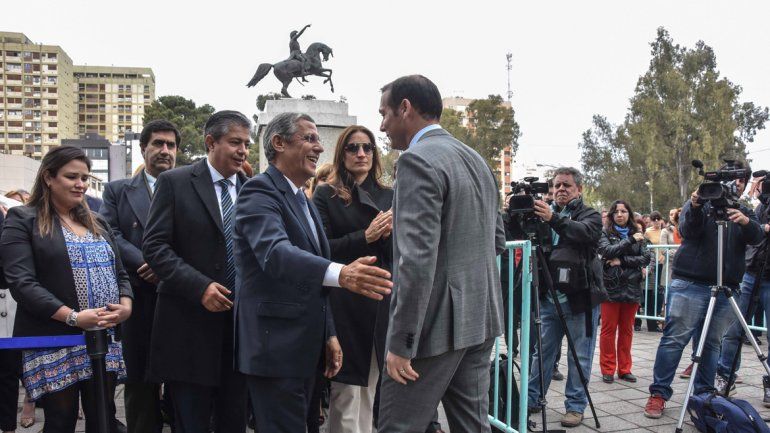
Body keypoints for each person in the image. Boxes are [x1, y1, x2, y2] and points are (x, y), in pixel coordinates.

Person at [233, 112, 392, 432]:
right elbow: (275, 254)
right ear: (278, 143)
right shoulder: (259, 192)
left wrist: (329, 334)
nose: (319, 148)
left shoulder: (300, 198)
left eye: (319, 140)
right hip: (275, 348)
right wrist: (342, 273)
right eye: (309, 139)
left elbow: (312, 277)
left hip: (305, 348)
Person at [375, 75, 505, 433]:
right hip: (480, 318)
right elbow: (496, 241)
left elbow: (415, 262)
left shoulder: (417, 161)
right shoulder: (477, 159)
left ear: (406, 108)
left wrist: (401, 343)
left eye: (384, 113)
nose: (382, 125)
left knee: (396, 427)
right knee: (472, 426)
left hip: (431, 331)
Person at [0, 145, 133, 433]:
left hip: (102, 338)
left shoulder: (97, 222)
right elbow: (22, 283)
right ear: (48, 177)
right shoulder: (23, 219)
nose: (81, 184)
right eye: (72, 176)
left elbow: (120, 273)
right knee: (61, 420)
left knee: (103, 418)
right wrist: (73, 317)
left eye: (85, 177)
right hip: (53, 338)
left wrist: (126, 305)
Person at [142, 111, 252, 433]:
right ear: (210, 142)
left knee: (234, 422)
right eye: (235, 142)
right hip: (188, 330)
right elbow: (156, 247)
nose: (243, 150)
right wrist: (200, 287)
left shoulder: (253, 190)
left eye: (246, 143)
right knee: (191, 424)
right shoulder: (175, 183)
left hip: (239, 335)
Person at [644, 161, 763, 419]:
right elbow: (686, 230)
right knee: (674, 340)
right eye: (731, 179)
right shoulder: (703, 203)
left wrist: (744, 222)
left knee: (711, 344)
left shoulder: (744, 210)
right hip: (691, 283)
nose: (736, 185)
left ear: (744, 185)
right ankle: (659, 394)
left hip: (726, 288)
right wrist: (697, 204)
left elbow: (757, 238)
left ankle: (703, 397)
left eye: (741, 180)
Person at [312, 125, 393, 433]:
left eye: (367, 147)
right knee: (345, 393)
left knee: (370, 391)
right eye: (353, 148)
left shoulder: (389, 195)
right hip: (343, 304)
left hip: (379, 302)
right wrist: (366, 236)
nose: (361, 153)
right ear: (341, 153)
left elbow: (400, 255)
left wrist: (393, 236)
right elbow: (320, 250)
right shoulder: (325, 195)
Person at [99, 119, 179, 433]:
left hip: (177, 294)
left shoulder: (190, 186)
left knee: (181, 381)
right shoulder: (117, 190)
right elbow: (109, 233)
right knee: (140, 381)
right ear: (143, 148)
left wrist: (168, 268)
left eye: (171, 145)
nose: (164, 150)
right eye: (158, 143)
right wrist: (147, 261)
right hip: (137, 296)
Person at [526, 167, 606, 428]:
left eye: (566, 185)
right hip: (549, 299)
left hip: (580, 300)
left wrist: (553, 219)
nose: (560, 190)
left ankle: (575, 407)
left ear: (579, 189)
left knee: (579, 357)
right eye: (557, 185)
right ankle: (532, 399)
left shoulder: (590, 215)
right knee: (542, 354)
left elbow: (585, 233)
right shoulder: (543, 214)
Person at [714, 178, 770, 401]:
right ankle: (725, 376)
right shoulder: (759, 206)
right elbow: (755, 232)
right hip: (752, 272)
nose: (757, 187)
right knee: (734, 329)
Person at [598, 200, 651, 384]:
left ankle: (624, 369)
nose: (620, 214)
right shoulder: (605, 232)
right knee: (608, 330)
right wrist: (630, 241)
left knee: (627, 331)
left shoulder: (639, 233)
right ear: (612, 215)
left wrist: (621, 261)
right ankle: (607, 369)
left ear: (629, 213)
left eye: (624, 211)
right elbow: (606, 251)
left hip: (632, 287)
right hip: (610, 288)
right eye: (616, 211)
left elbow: (645, 257)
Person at [642, 211, 665, 332]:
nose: (656, 221)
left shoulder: (665, 231)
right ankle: (651, 322)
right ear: (651, 221)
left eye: (658, 219)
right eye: (654, 219)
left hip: (664, 265)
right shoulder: (648, 232)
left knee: (661, 293)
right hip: (653, 265)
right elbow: (645, 249)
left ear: (661, 220)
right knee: (651, 293)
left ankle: (658, 319)